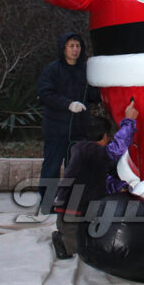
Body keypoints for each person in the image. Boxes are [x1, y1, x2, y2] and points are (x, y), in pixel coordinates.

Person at [51, 99, 138, 259]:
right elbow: (117, 148)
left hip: (71, 207)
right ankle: (61, 243)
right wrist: (129, 121)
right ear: (105, 136)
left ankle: (63, 238)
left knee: (88, 235)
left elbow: (100, 180)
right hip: (73, 210)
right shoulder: (93, 151)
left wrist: (120, 186)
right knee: (80, 245)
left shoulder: (83, 151)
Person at [38, 32, 101, 211]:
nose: (75, 50)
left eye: (78, 46)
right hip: (56, 129)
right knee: (51, 168)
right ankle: (47, 204)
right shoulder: (53, 69)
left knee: (76, 169)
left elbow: (93, 95)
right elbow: (45, 94)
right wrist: (68, 104)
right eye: (71, 46)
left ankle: (71, 204)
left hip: (79, 129)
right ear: (63, 48)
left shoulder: (85, 70)